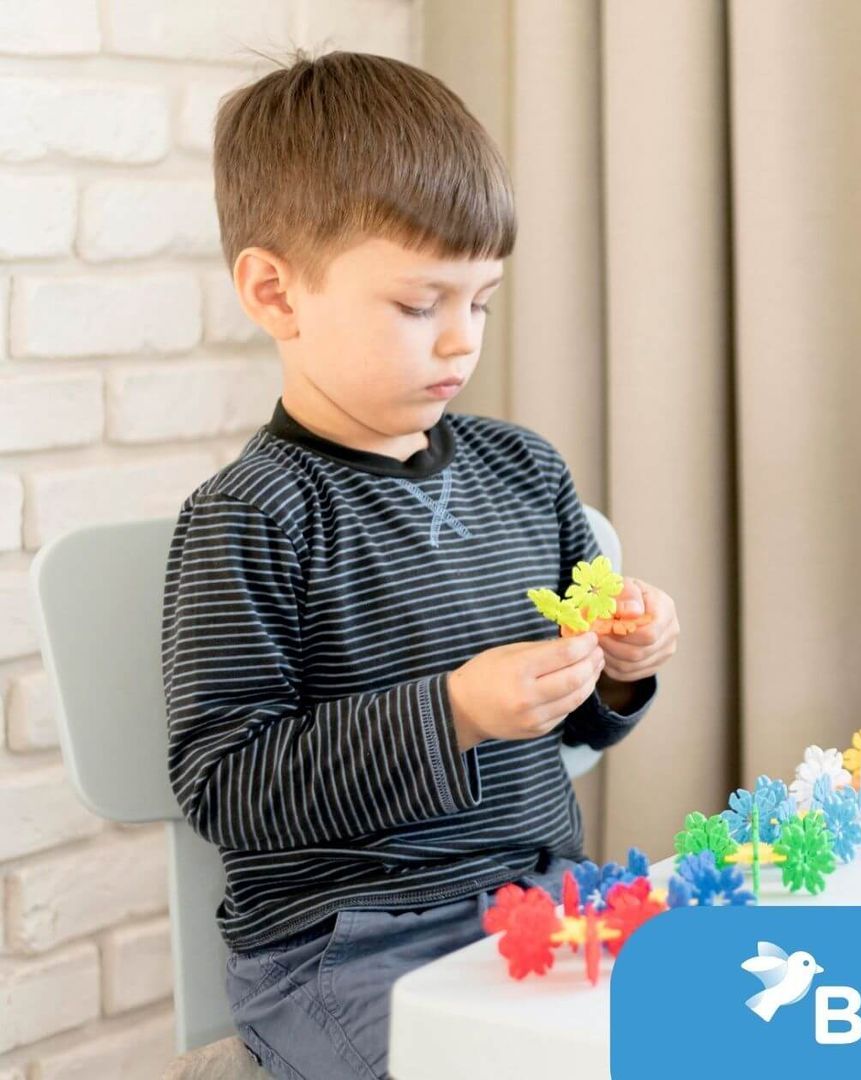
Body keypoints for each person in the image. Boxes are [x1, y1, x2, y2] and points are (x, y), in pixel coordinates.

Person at [161, 50, 680, 1078]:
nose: (461, 340)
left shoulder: (526, 472)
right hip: (345, 946)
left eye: (481, 301)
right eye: (418, 305)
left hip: (542, 901)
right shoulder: (251, 517)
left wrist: (620, 666)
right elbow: (226, 786)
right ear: (276, 292)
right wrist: (455, 711)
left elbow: (573, 722)